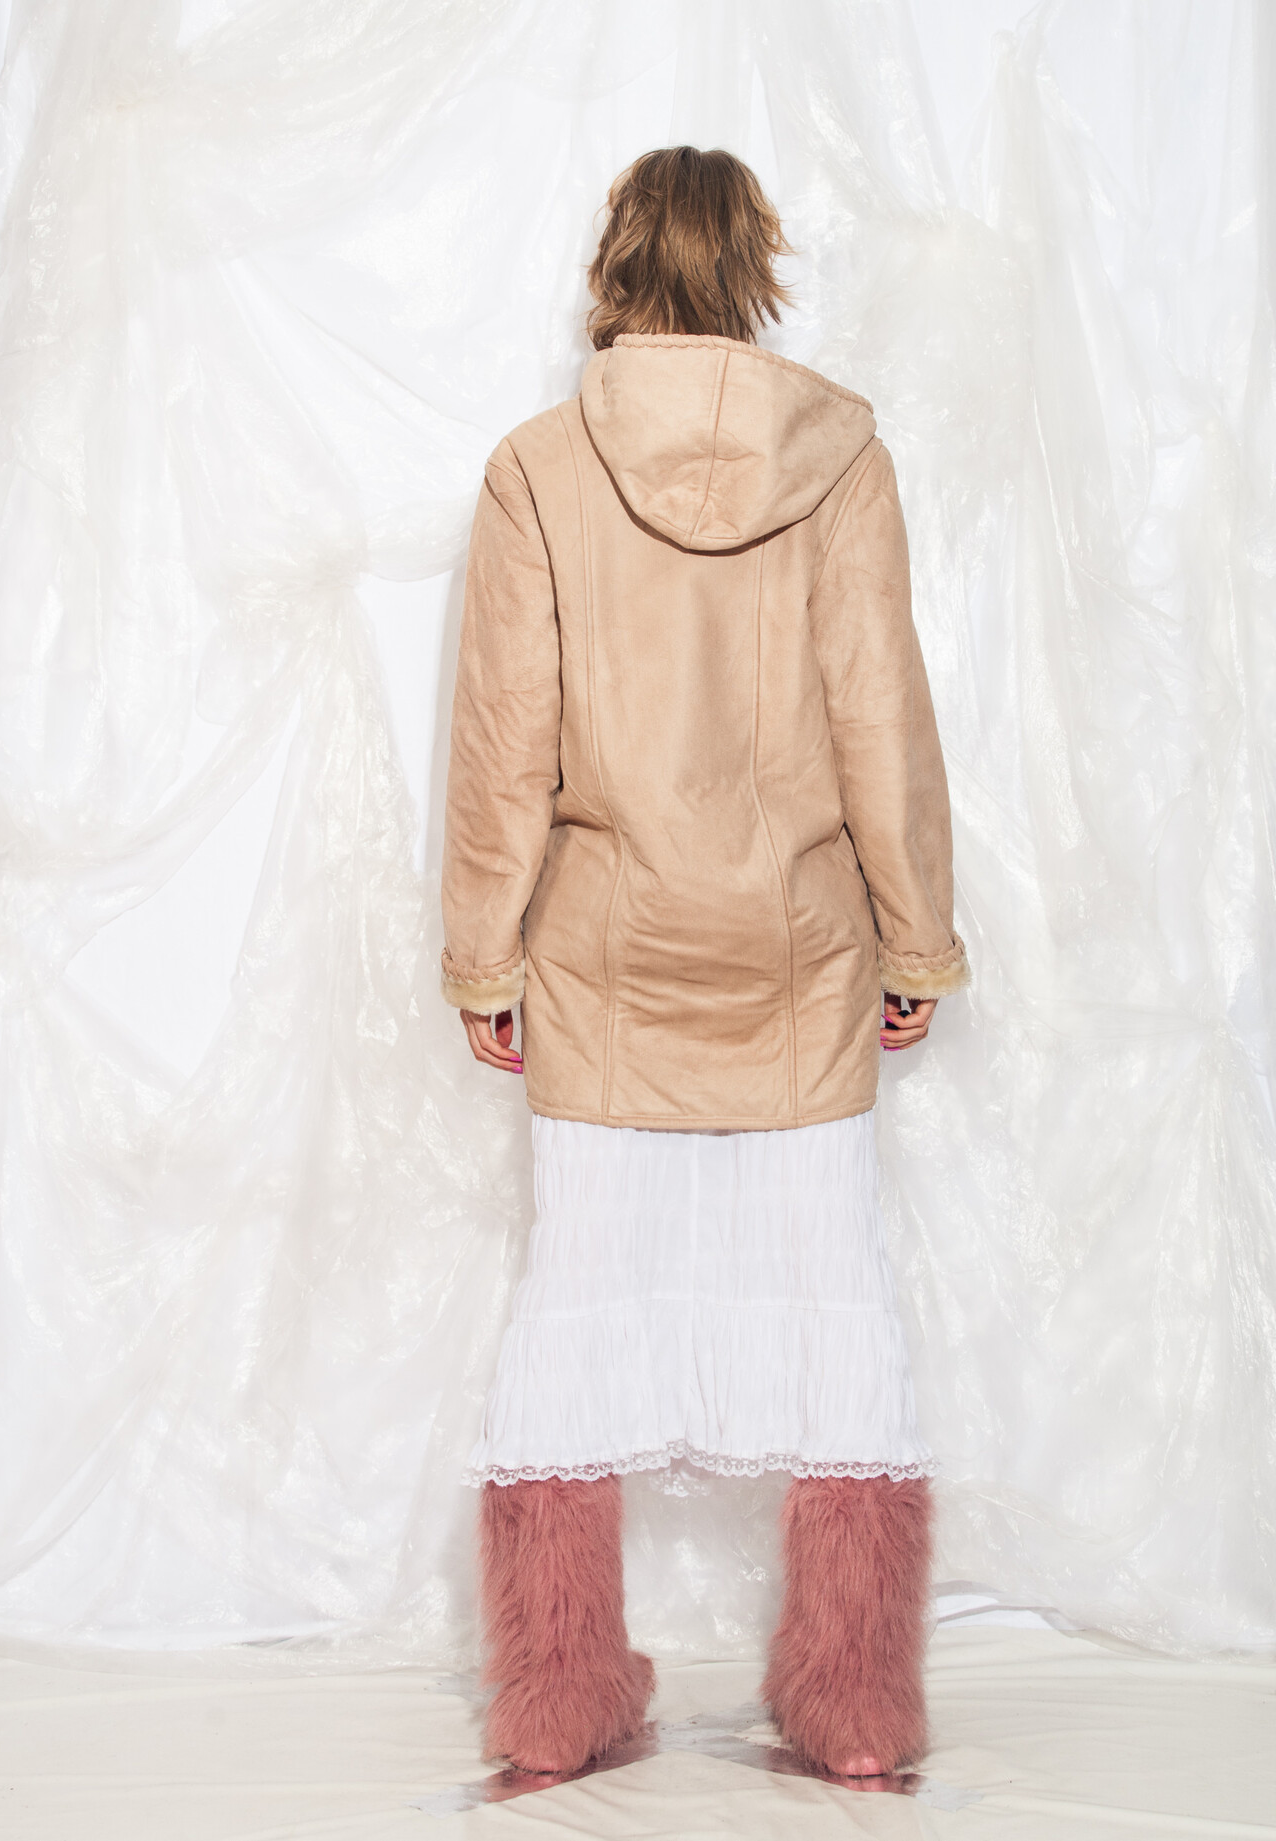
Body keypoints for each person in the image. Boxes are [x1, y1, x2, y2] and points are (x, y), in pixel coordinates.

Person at [440, 145, 968, 1780]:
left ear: (615, 264)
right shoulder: (844, 461)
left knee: (578, 1306)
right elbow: (882, 718)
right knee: (831, 1303)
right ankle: (856, 1705)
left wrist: (483, 959)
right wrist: (917, 937)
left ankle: (554, 1696)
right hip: (799, 961)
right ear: (755, 267)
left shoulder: (537, 470)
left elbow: (504, 743)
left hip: (604, 965)